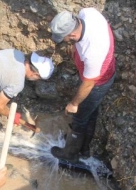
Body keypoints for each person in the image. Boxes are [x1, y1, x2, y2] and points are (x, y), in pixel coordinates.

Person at [49, 8, 116, 161]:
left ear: (72, 34)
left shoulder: (93, 51)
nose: (64, 41)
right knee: (90, 114)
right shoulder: (88, 14)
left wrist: (73, 103)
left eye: (64, 38)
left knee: (80, 117)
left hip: (97, 83)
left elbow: (88, 84)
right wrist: (73, 45)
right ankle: (84, 149)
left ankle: (70, 154)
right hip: (96, 73)